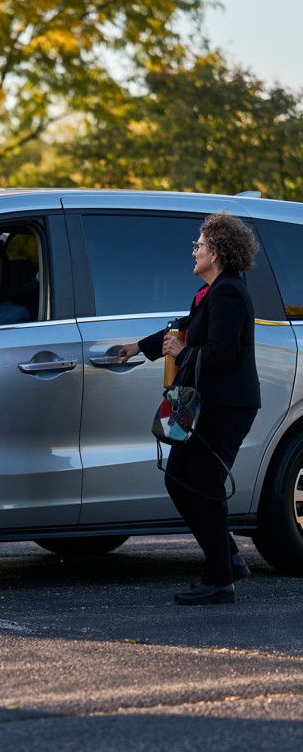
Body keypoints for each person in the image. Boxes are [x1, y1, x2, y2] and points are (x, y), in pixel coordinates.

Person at [119, 210, 261, 606]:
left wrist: (182, 353)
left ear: (216, 252)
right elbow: (186, 323)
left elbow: (222, 353)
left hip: (226, 406)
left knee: (204, 485)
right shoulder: (214, 291)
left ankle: (220, 580)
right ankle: (228, 559)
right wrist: (141, 347)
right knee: (181, 478)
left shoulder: (230, 291)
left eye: (198, 245)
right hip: (209, 404)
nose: (194, 251)